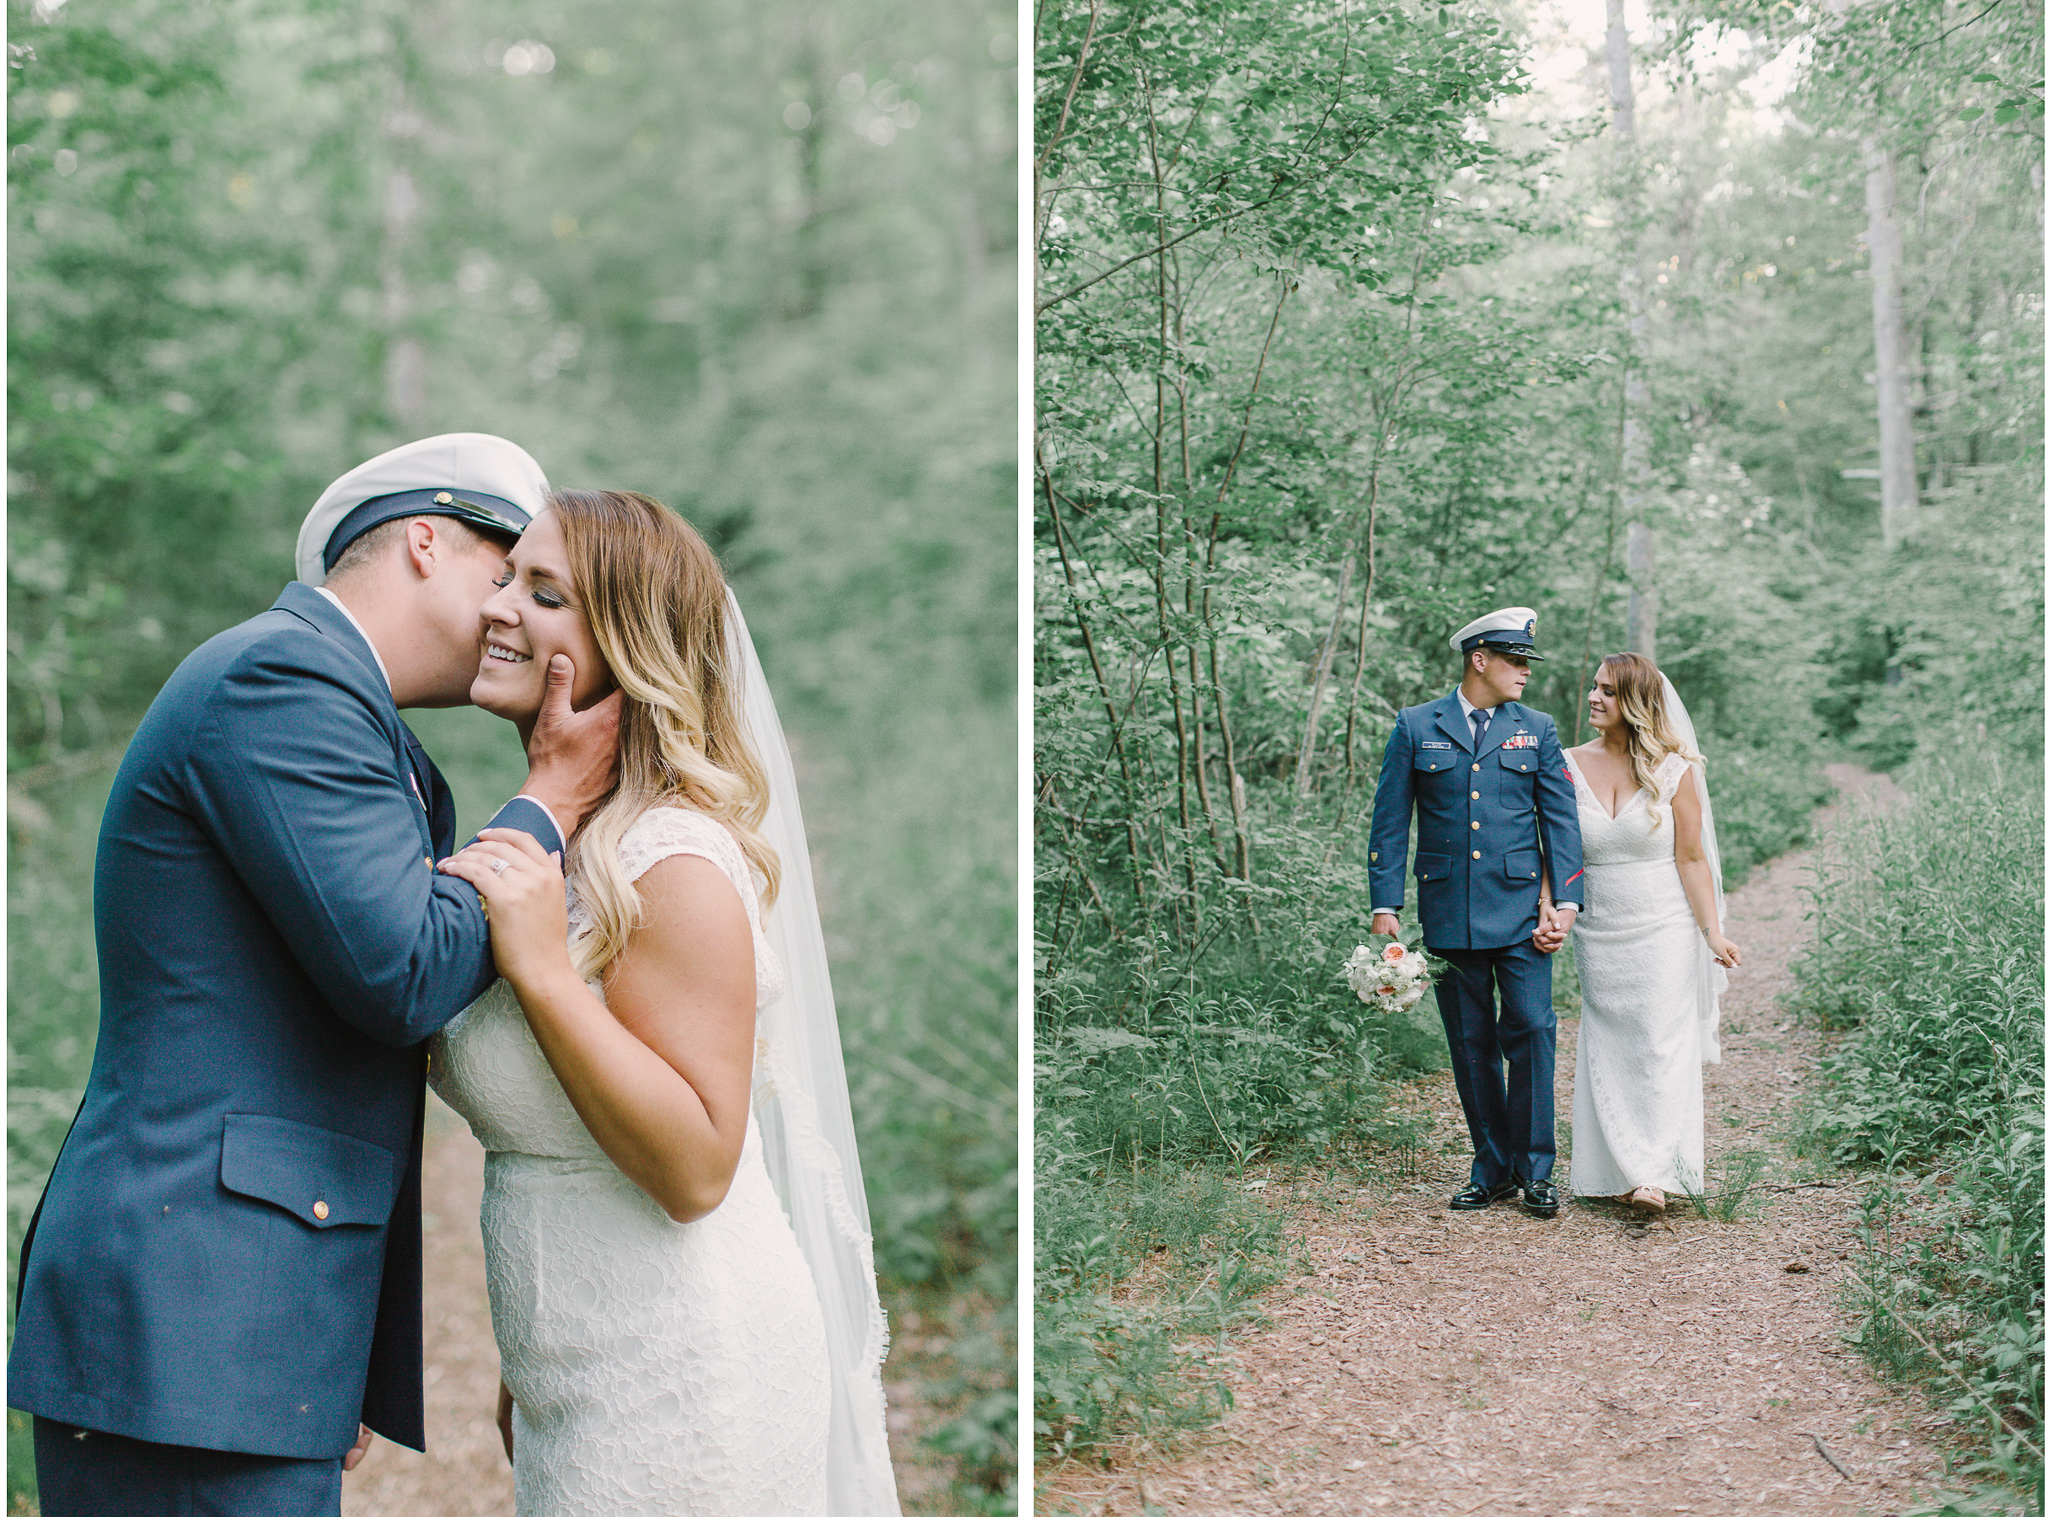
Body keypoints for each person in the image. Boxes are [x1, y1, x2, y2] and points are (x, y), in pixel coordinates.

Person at [8, 434, 622, 1517]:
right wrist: (552, 799)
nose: (508, 615)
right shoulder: (283, 677)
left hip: (235, 1323)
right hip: (190, 1318)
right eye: (504, 575)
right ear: (425, 543)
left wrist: (324, 1351)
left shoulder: (341, 706)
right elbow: (401, 971)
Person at [427, 488, 899, 1517]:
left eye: (544, 593)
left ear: (629, 650)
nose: (499, 606)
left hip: (689, 1374)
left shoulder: (669, 860)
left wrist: (546, 973)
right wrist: (530, 1361)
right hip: (580, 1364)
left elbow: (693, 1166)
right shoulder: (560, 845)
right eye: (507, 577)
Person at [1367, 607, 1585, 1219]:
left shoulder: (1536, 728)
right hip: (1450, 910)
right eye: (1515, 661)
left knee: (1533, 1032)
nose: (1524, 673)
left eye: (1527, 662)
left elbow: (1560, 819)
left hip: (1520, 910)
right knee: (1471, 1043)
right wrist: (1386, 902)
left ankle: (1537, 1171)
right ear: (1479, 659)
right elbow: (1390, 817)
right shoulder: (1416, 725)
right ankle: (1492, 1170)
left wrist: (1565, 901)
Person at [1563, 652, 1741, 1216]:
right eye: (1594, 687)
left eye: (1609, 691)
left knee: (1661, 1045)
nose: (1594, 697)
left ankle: (1654, 1176)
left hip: (1664, 923)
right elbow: (1554, 853)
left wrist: (1711, 932)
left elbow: (1691, 857)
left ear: (1637, 703)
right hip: (1599, 928)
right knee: (1611, 1044)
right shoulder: (1565, 765)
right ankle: (1615, 1166)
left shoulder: (1675, 769)